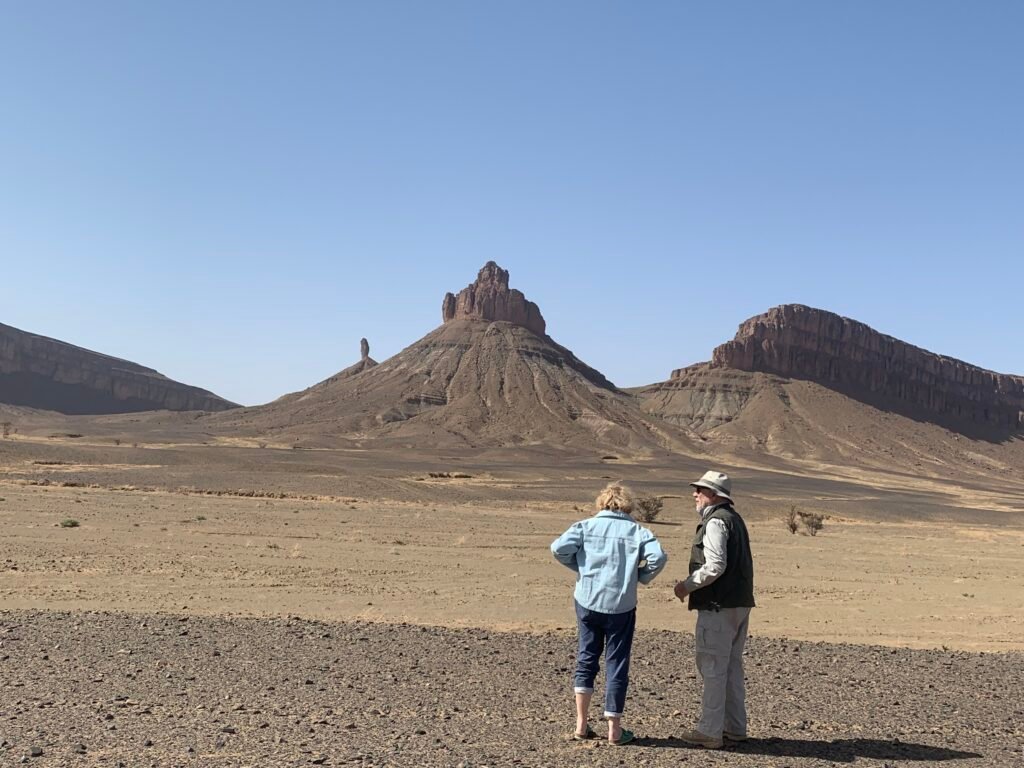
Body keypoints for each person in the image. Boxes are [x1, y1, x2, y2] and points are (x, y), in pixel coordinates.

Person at [551, 481, 667, 746]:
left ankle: (581, 724)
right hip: (621, 605)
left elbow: (558, 548)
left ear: (601, 503)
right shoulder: (638, 531)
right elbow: (658, 557)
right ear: (628, 506)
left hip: (588, 599)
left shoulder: (585, 526)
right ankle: (614, 729)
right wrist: (640, 576)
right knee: (617, 662)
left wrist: (580, 567)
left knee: (586, 657)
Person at [673, 470, 755, 749]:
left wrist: (686, 586)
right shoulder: (734, 519)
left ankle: (710, 731)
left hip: (718, 606)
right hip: (739, 604)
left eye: (700, 490)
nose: (695, 494)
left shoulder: (716, 522)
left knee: (713, 668)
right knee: (731, 667)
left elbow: (715, 565)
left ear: (714, 494)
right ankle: (735, 727)